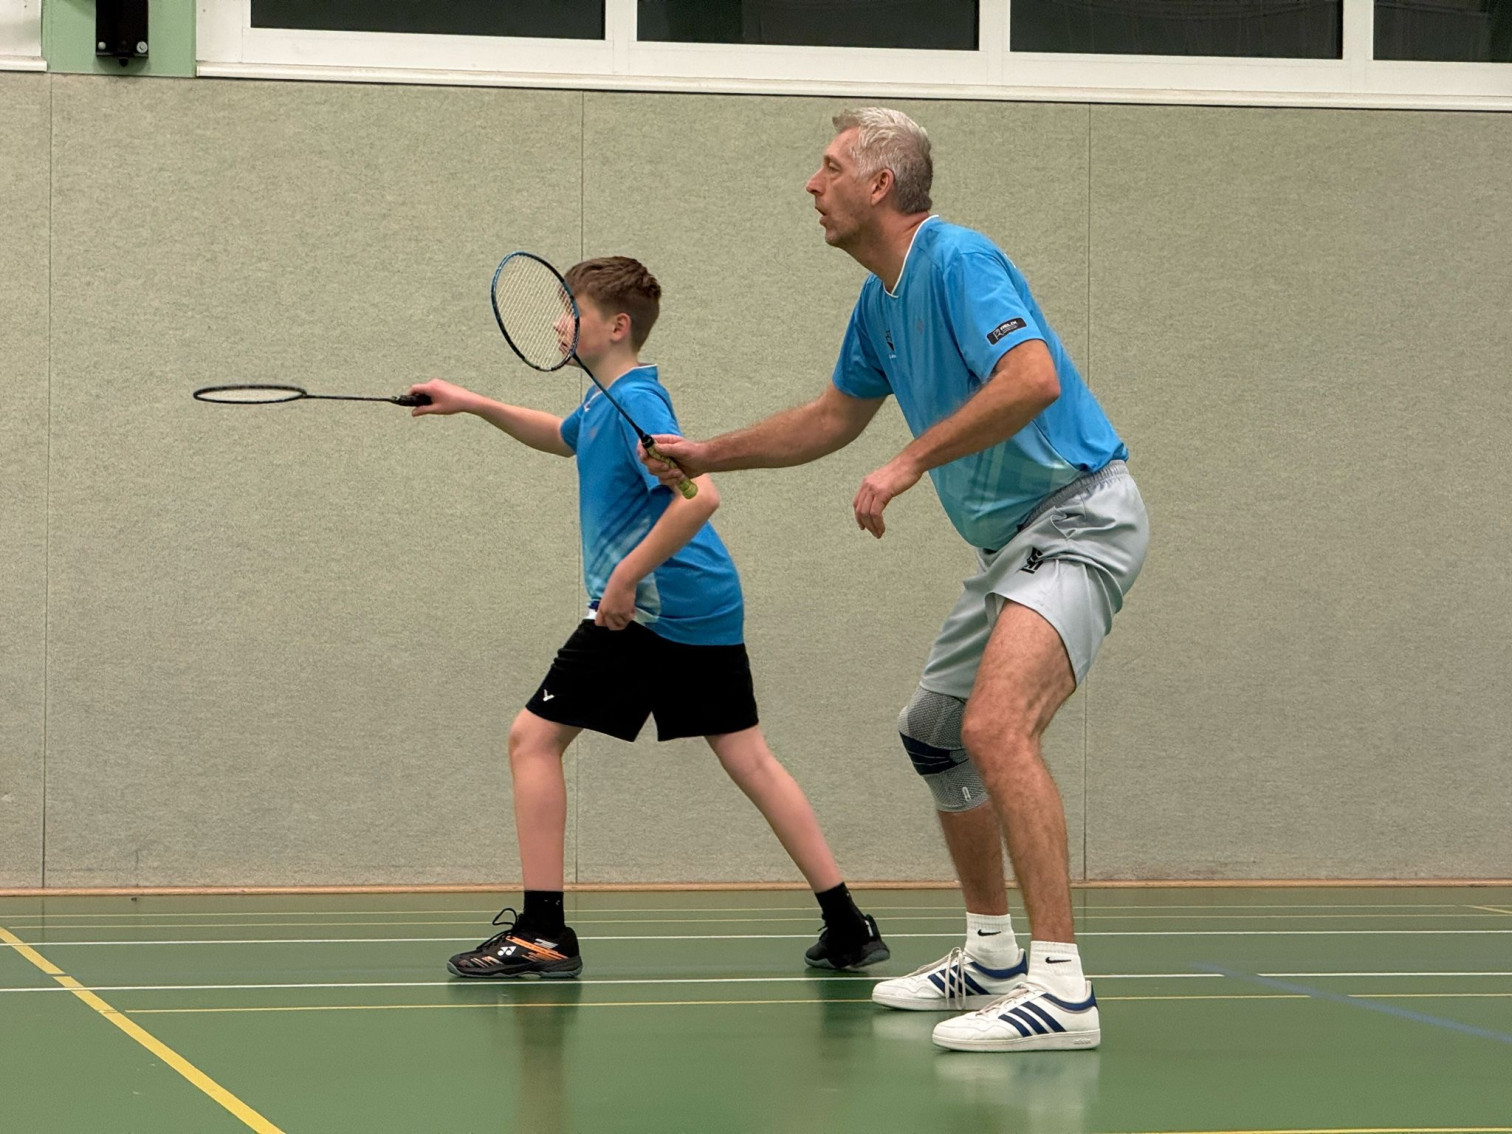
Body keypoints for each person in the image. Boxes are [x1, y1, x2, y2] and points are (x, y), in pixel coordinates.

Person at [641, 110, 1148, 1051]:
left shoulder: (959, 259)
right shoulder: (880, 301)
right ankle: (991, 956)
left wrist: (910, 462)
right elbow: (833, 417)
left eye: (827, 167)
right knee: (935, 733)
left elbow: (1031, 379)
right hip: (1013, 545)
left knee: (996, 727)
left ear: (879, 185)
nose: (810, 185)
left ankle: (1063, 989)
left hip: (1081, 516)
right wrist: (710, 451)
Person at [410, 255, 888, 979]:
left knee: (530, 742)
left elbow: (701, 497)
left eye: (572, 309)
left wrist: (626, 580)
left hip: (652, 608)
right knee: (748, 757)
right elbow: (562, 436)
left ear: (616, 326)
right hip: (706, 605)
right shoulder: (609, 400)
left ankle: (542, 934)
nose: (558, 321)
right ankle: (848, 924)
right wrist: (473, 403)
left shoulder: (640, 404)